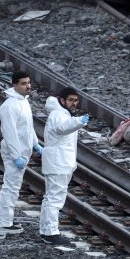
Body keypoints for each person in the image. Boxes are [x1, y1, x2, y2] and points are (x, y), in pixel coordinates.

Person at [40, 87, 90, 246]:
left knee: (51, 197)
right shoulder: (58, 114)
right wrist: (79, 121)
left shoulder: (63, 114)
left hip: (59, 162)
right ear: (62, 100)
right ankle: (51, 233)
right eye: (71, 100)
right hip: (58, 163)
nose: (74, 103)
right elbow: (62, 128)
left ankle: (45, 230)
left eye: (76, 100)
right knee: (55, 198)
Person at [0, 70, 42, 237]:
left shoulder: (23, 101)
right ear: (14, 85)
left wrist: (36, 144)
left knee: (14, 186)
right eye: (23, 83)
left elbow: (27, 127)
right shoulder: (9, 106)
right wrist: (16, 156)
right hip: (15, 152)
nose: (28, 86)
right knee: (11, 187)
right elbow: (10, 133)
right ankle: (4, 223)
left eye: (28, 83)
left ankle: (6, 220)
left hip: (23, 150)